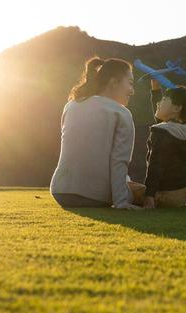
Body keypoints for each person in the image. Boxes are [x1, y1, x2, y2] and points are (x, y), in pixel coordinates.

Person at [50, 56, 144, 209]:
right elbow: (119, 161)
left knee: (129, 183)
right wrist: (121, 202)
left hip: (60, 192)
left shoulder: (71, 105)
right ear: (113, 82)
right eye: (130, 83)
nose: (132, 91)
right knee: (142, 192)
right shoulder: (121, 113)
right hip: (95, 197)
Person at [143, 79, 186, 209]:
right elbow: (162, 121)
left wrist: (149, 196)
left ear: (177, 108)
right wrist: (156, 90)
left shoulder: (161, 132)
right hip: (183, 192)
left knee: (125, 187)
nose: (158, 103)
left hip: (166, 195)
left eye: (163, 100)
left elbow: (155, 166)